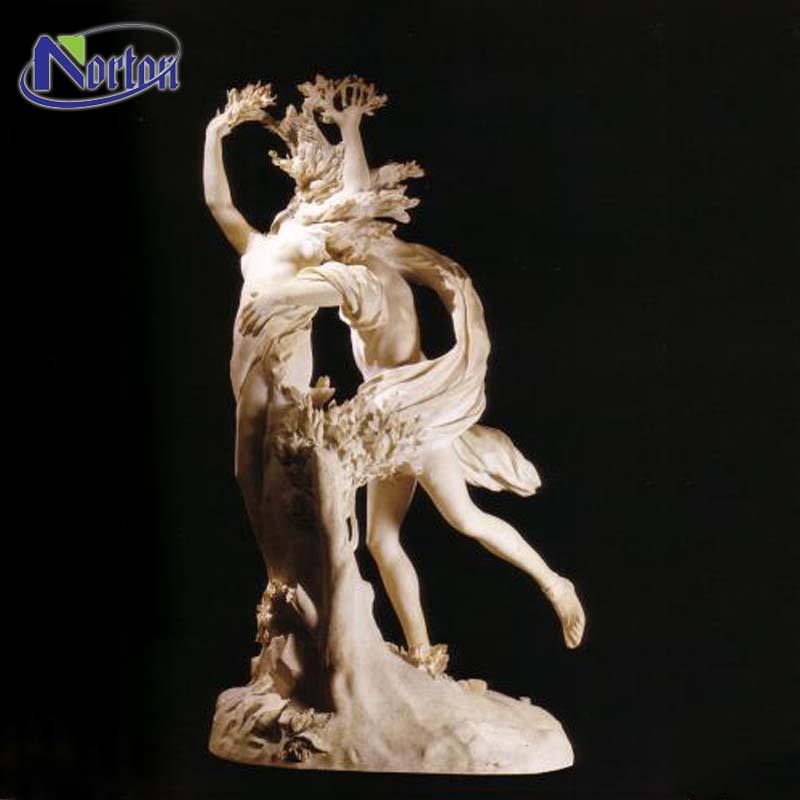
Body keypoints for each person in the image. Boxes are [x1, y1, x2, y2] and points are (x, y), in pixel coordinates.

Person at [238, 77, 586, 670]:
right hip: (390, 410)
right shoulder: (379, 258)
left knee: (463, 517)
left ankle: (555, 583)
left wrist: (270, 287)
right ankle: (422, 651)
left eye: (330, 232)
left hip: (408, 414)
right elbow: (356, 200)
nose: (326, 238)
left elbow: (312, 285)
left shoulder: (362, 280)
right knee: (381, 539)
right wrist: (351, 129)